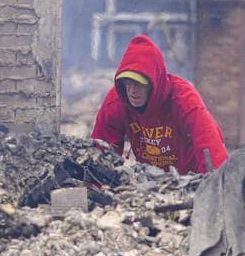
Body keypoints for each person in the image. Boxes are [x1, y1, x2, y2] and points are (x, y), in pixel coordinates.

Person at [91, 35, 228, 175]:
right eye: (127, 83)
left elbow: (210, 145)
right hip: (150, 178)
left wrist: (216, 184)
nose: (132, 91)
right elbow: (101, 151)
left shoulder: (184, 99)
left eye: (139, 83)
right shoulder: (117, 101)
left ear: (153, 82)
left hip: (191, 178)